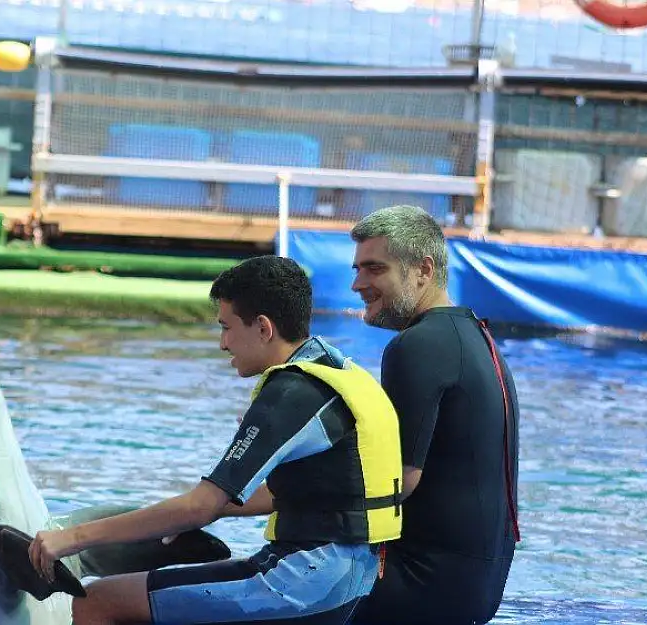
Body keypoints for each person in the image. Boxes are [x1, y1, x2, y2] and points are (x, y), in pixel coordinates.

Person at [28, 255, 405, 625]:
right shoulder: (335, 369)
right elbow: (294, 495)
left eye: (226, 327)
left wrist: (71, 538)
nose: (223, 343)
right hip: (352, 578)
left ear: (262, 327)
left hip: (304, 581)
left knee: (97, 600)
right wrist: (187, 513)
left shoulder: (291, 393)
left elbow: (200, 507)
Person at [346, 205, 521, 625]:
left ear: (422, 269)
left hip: (421, 585)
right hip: (477, 586)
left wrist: (258, 497)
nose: (357, 284)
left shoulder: (418, 345)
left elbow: (397, 482)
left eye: (373, 269)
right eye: (357, 269)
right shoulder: (477, 336)